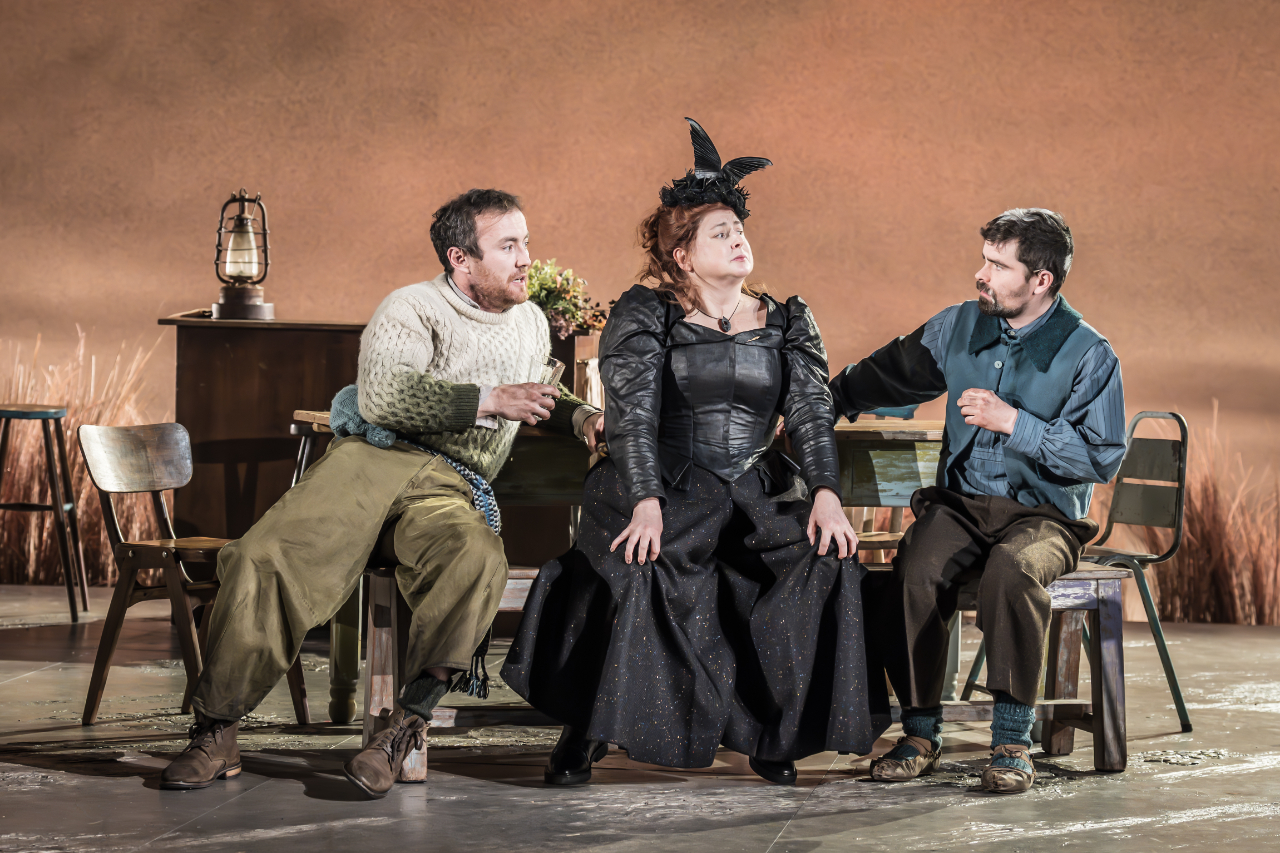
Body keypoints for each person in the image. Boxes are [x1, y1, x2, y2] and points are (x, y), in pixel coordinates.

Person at [159, 189, 604, 798]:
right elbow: (384, 397)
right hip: (372, 461)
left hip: (448, 484)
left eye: (525, 242)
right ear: (461, 259)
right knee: (263, 555)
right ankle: (216, 731)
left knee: (476, 559)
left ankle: (402, 729)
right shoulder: (411, 308)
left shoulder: (529, 322)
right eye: (508, 246)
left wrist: (581, 418)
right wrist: (488, 399)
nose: (526, 257)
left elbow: (538, 391)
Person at [502, 118, 879, 787]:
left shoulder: (789, 319)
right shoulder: (647, 313)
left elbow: (811, 413)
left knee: (823, 557)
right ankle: (588, 728)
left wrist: (826, 493)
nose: (738, 240)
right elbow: (632, 414)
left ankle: (773, 733)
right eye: (720, 233)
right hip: (665, 480)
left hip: (755, 488)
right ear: (682, 255)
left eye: (739, 229)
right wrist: (645, 500)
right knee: (643, 563)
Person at [828, 208, 1126, 794]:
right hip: (961, 506)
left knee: (1014, 571)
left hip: (1045, 516)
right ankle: (920, 733)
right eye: (984, 260)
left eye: (998, 265)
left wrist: (1015, 423)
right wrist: (821, 402)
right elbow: (883, 376)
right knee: (915, 568)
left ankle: (1012, 742)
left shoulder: (1090, 353)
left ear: (1040, 280)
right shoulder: (957, 326)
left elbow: (1101, 458)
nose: (981, 275)